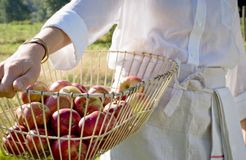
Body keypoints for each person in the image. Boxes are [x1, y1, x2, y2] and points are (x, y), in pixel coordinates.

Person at [0, 0, 246, 159]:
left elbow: (233, 51)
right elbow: (88, 8)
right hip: (141, 118)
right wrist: (36, 47)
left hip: (213, 124)